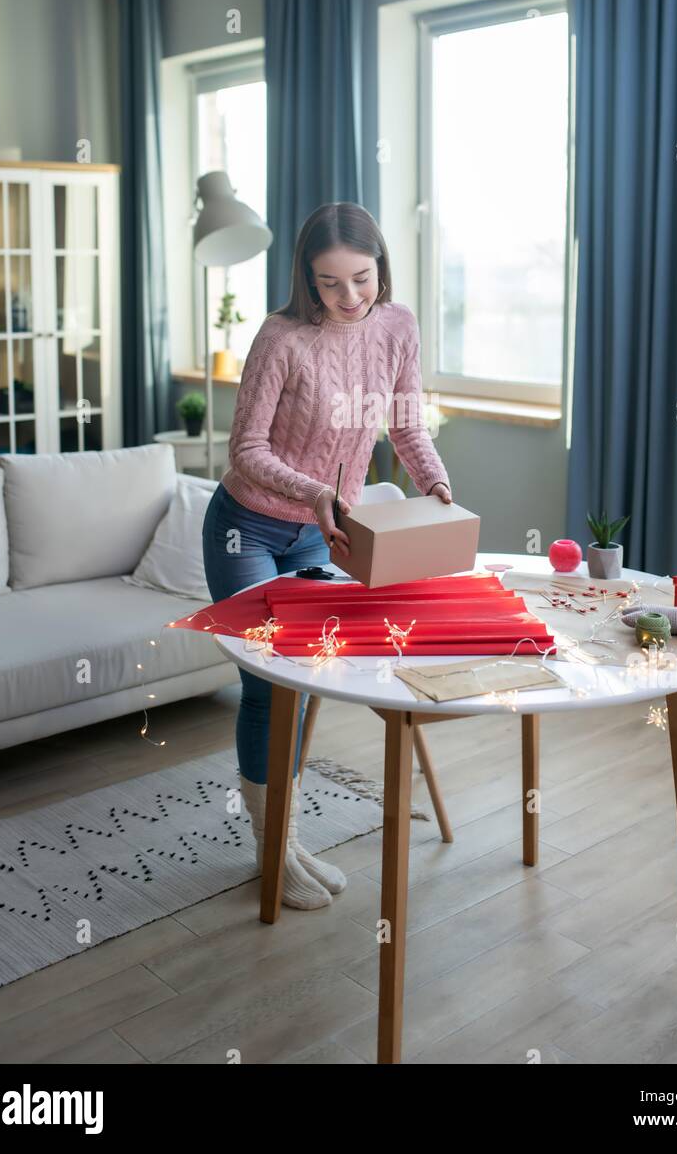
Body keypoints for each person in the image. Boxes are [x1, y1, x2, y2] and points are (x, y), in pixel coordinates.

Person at [202, 201, 452, 908]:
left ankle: (281, 834)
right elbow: (245, 451)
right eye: (329, 283)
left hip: (322, 532)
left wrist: (434, 481)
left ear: (381, 269)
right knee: (267, 683)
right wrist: (317, 492)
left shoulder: (398, 326)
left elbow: (406, 423)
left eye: (361, 279)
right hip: (247, 528)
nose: (348, 298)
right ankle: (271, 845)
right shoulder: (281, 337)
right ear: (306, 280)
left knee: (307, 680)